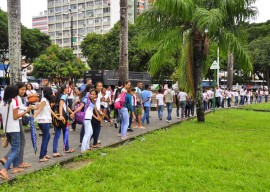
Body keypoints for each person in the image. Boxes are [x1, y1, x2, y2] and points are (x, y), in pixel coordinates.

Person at [0, 85, 31, 180]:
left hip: (6, 129)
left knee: (15, 147)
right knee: (16, 149)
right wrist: (27, 111)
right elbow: (16, 117)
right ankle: (4, 170)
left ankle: (16, 167)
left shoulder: (2, 103)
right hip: (14, 128)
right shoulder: (14, 101)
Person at [71, 89, 100, 153]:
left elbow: (90, 112)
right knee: (87, 134)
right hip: (86, 119)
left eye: (93, 94)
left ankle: (87, 147)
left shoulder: (92, 102)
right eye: (91, 94)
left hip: (89, 119)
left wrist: (97, 117)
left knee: (91, 132)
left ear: (96, 96)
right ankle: (83, 149)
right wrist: (73, 113)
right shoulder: (86, 100)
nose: (92, 95)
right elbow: (80, 107)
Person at [52, 84, 75, 157]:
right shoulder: (64, 96)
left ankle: (55, 151)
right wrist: (61, 115)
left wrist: (72, 112)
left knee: (58, 134)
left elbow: (65, 106)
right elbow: (61, 106)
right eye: (67, 88)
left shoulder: (59, 96)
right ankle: (66, 148)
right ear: (65, 89)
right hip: (63, 118)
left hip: (58, 118)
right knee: (65, 133)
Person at [34, 87, 54, 162]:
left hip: (46, 121)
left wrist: (56, 117)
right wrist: (33, 118)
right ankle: (41, 156)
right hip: (43, 122)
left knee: (48, 137)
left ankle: (44, 154)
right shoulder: (44, 100)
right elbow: (39, 110)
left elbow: (49, 110)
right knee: (45, 138)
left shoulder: (46, 100)